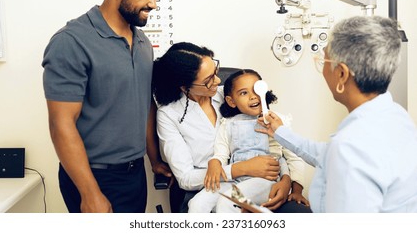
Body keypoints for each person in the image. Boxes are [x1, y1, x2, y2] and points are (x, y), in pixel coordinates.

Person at [257, 15, 417, 212]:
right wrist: (280, 132)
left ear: (341, 74)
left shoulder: (350, 147)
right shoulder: (396, 116)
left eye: (323, 58)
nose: (322, 67)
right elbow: (326, 154)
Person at [42, 0, 161, 213]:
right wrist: (89, 192)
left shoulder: (142, 43)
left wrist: (154, 159)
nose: (153, 3)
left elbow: (144, 104)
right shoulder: (71, 41)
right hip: (94, 177)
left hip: (134, 175)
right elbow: (61, 124)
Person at [152, 42, 281, 212]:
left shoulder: (233, 95)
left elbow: (274, 139)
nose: (218, 81)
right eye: (208, 81)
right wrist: (240, 169)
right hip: (204, 187)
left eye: (215, 72)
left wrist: (287, 180)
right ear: (185, 87)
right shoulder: (169, 115)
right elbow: (185, 178)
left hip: (255, 180)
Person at [188, 69, 311, 213]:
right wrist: (214, 162)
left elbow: (293, 157)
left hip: (266, 181)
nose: (253, 97)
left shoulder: (276, 120)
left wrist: (297, 191)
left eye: (256, 90)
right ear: (231, 101)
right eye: (244, 93)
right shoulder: (227, 124)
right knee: (197, 204)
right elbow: (221, 154)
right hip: (235, 180)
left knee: (228, 202)